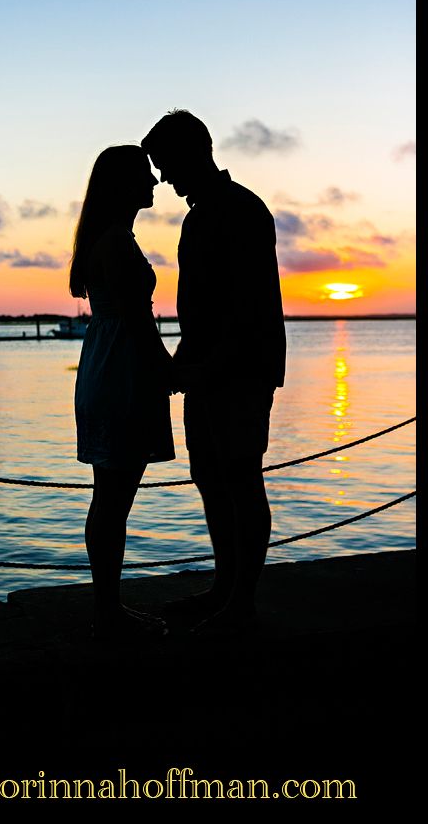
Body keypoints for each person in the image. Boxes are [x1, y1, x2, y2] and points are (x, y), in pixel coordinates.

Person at [141, 110, 286, 635]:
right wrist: (186, 364)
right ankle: (226, 588)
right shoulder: (200, 215)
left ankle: (241, 602)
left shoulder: (241, 210)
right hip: (206, 370)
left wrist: (203, 368)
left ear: (192, 153)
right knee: (210, 478)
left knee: (242, 479)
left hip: (239, 372)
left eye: (166, 165)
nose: (162, 178)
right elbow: (202, 311)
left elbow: (247, 310)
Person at [70, 145, 177, 641]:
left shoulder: (112, 239)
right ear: (121, 185)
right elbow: (138, 322)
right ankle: (108, 610)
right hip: (122, 371)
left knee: (110, 497)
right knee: (113, 499)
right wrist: (169, 370)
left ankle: (107, 606)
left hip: (109, 363)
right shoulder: (115, 242)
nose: (154, 182)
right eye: (144, 175)